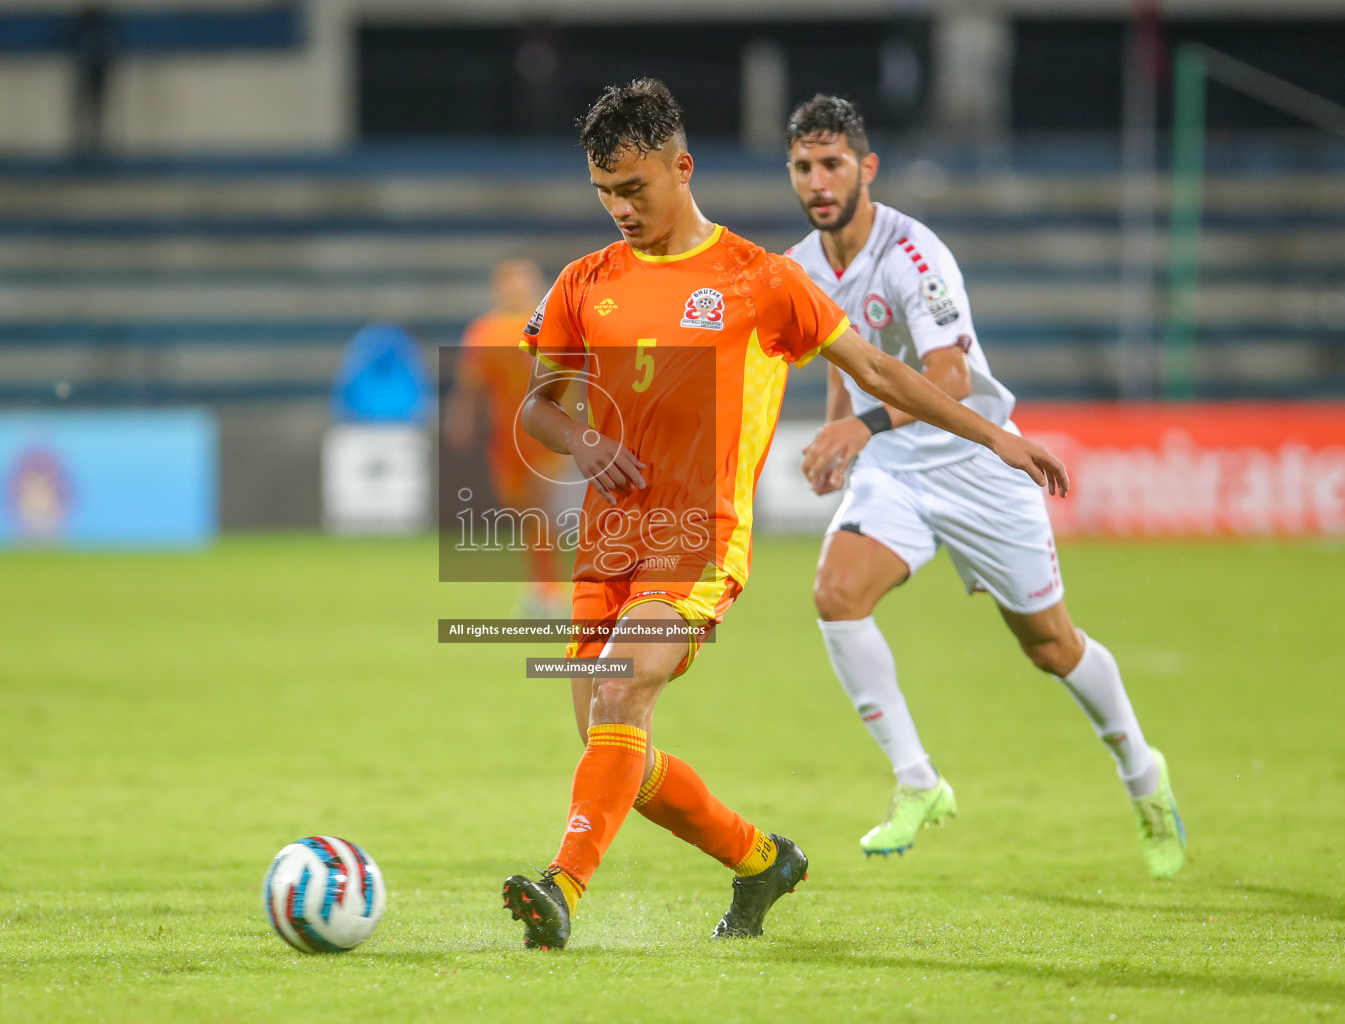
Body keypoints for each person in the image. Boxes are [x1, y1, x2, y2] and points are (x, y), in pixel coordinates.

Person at [501, 79, 1068, 951]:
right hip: (607, 545)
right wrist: (580, 439)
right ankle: (763, 860)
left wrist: (994, 436)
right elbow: (539, 406)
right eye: (604, 192)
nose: (618, 208)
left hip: (697, 545)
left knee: (619, 694)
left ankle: (561, 888)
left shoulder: (762, 281)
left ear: (681, 168)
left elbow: (879, 371)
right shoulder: (585, 282)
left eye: (634, 189)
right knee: (613, 749)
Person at [783, 94, 1184, 877]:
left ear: (866, 167)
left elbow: (951, 377)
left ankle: (1143, 773)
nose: (817, 181)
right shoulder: (802, 266)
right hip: (897, 471)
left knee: (1049, 646)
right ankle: (916, 780)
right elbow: (845, 357)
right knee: (836, 596)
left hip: (975, 469)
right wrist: (843, 436)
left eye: (832, 164)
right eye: (802, 167)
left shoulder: (914, 254)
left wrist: (857, 429)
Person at [443, 258, 570, 616]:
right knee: (525, 514)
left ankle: (551, 591)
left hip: (547, 434)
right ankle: (542, 588)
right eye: (509, 281)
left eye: (523, 280)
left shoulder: (554, 323)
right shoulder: (484, 330)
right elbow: (471, 384)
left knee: (541, 508)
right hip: (505, 439)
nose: (516, 287)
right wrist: (462, 420)